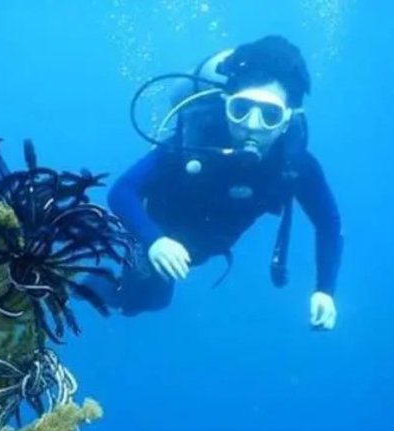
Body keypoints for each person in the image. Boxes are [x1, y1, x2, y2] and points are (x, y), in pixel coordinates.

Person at [89, 35, 343, 330]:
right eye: (241, 108)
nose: (251, 124)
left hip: (201, 247)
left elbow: (329, 224)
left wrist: (325, 290)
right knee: (143, 299)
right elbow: (123, 191)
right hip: (157, 232)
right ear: (226, 105)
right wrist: (154, 240)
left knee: (154, 300)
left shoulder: (298, 167)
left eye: (270, 115)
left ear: (288, 120)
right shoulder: (194, 142)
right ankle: (72, 281)